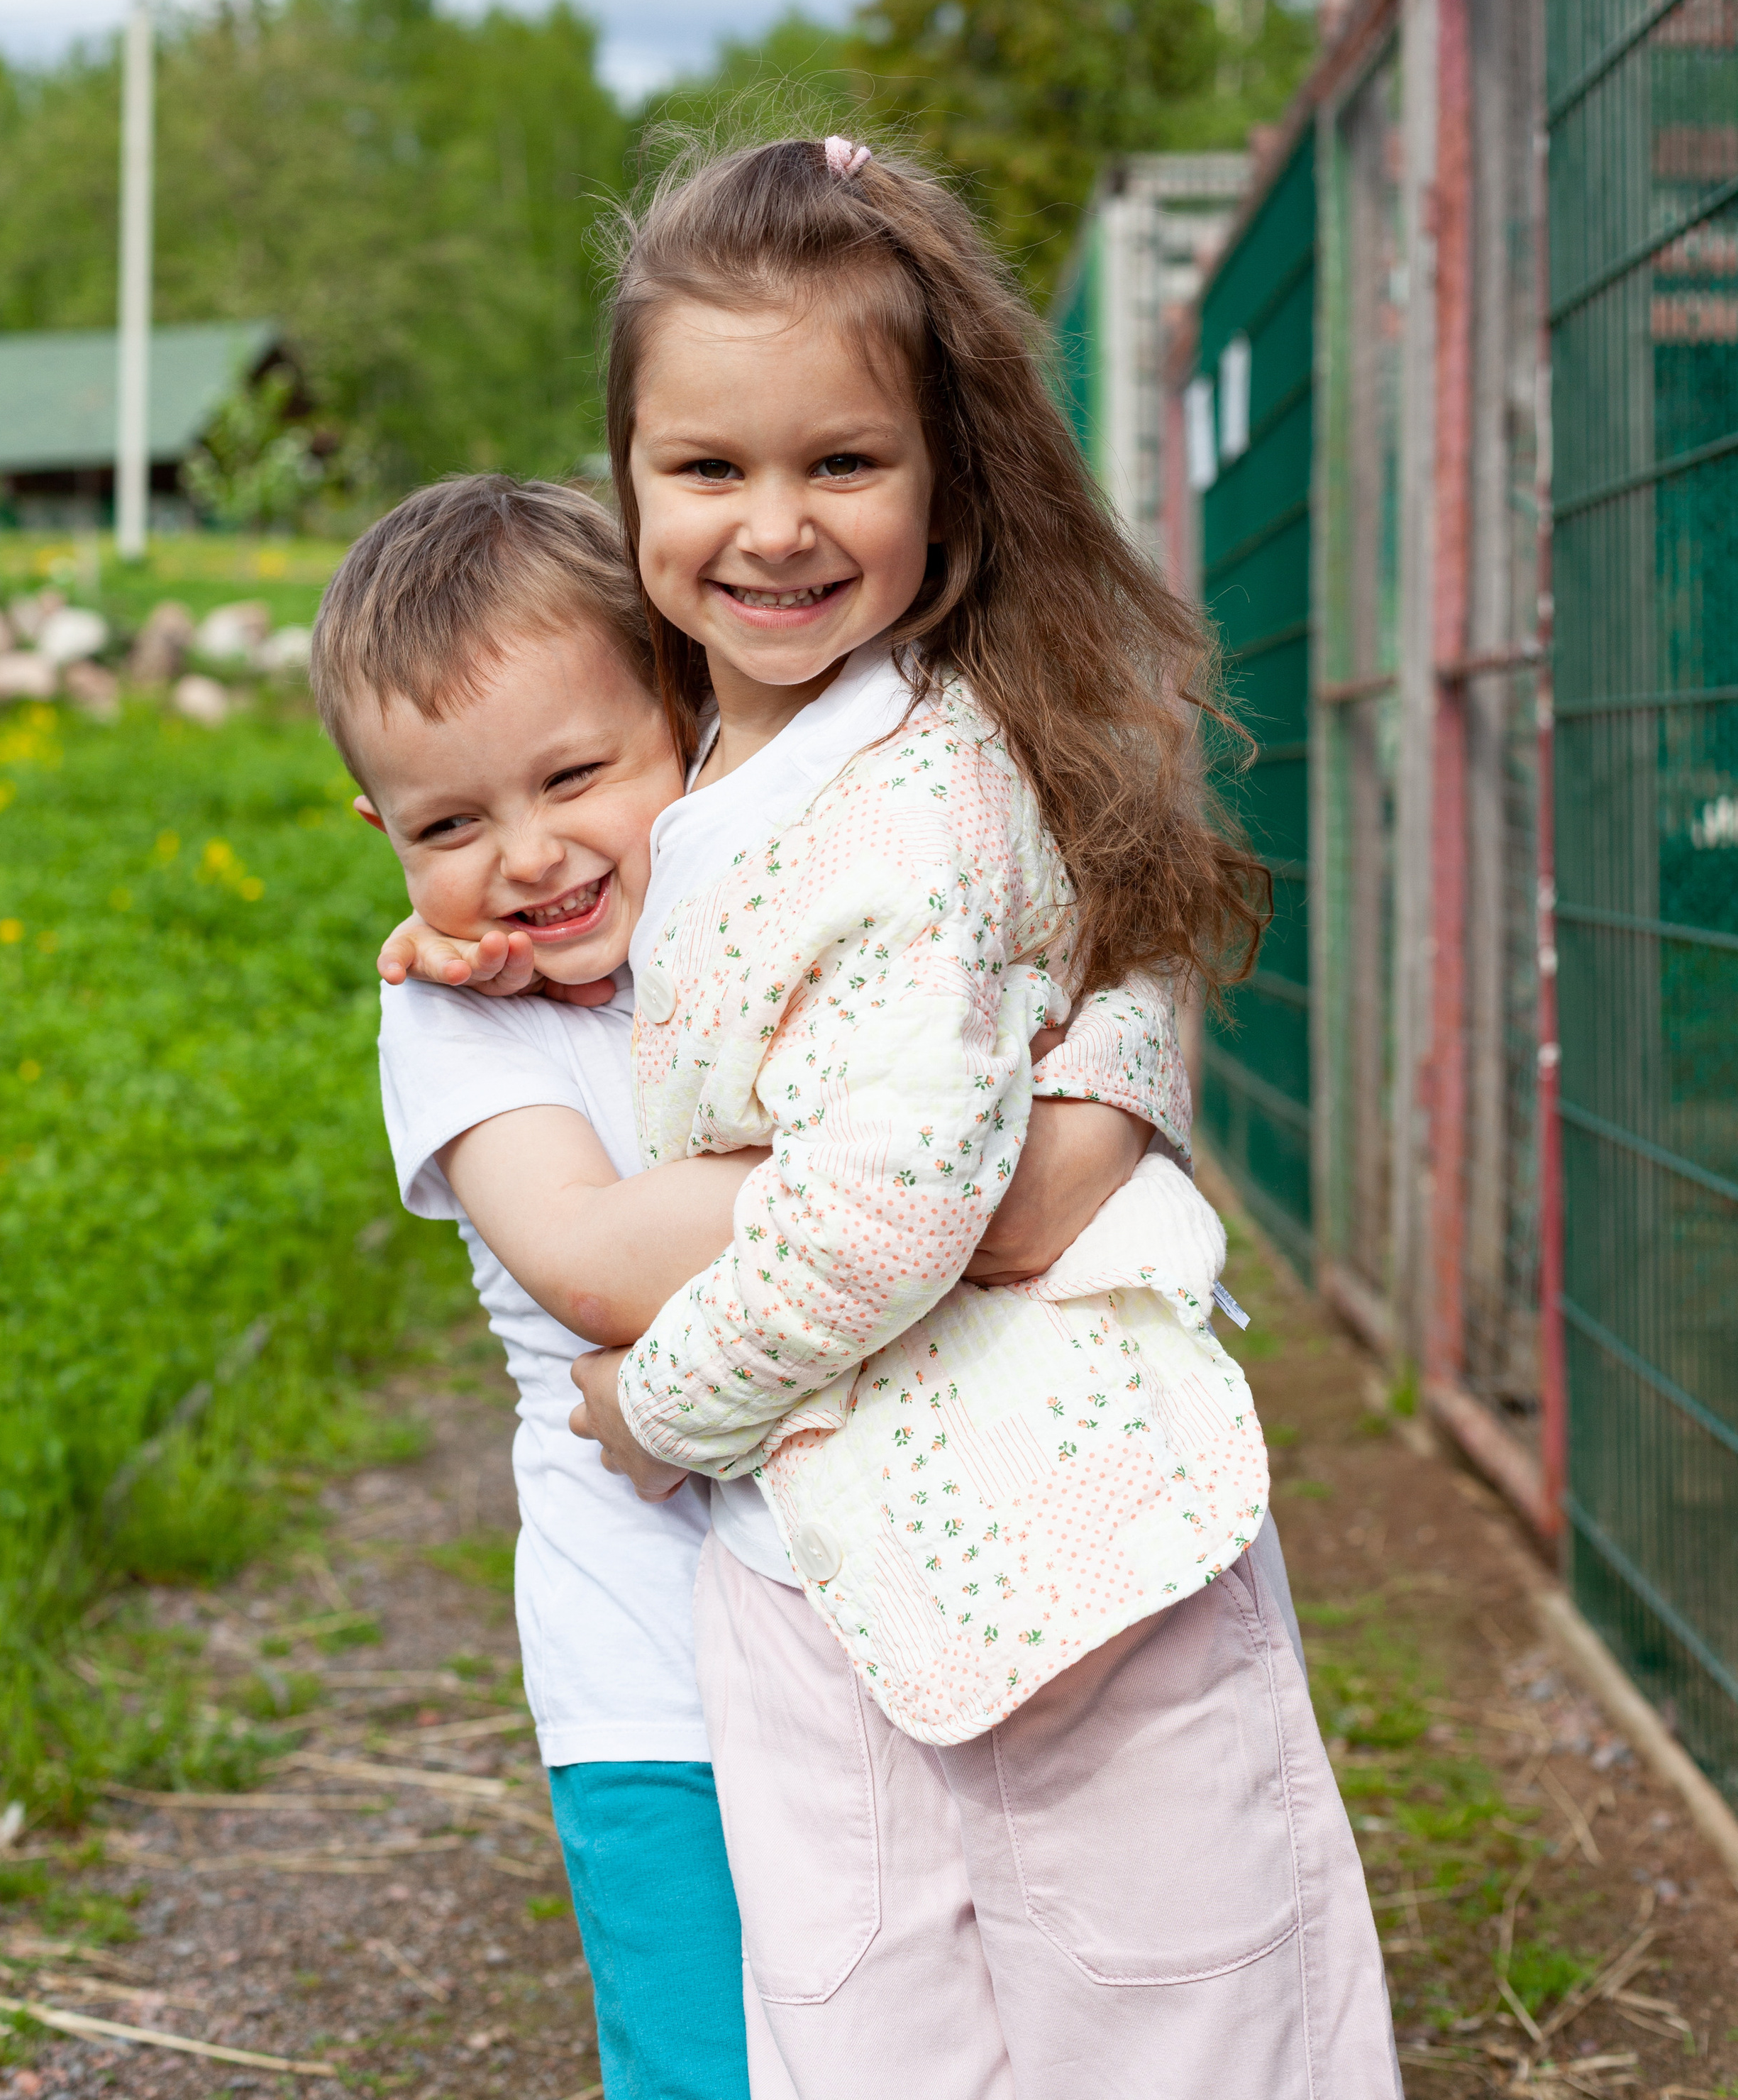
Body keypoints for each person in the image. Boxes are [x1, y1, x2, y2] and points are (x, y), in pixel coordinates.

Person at [554, 133, 1400, 2099]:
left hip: (1047, 1532)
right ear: (629, 478)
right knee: (880, 2024)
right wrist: (468, 934)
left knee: (1179, 2015)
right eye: (708, 468)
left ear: (949, 475)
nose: (775, 527)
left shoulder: (922, 789)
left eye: (844, 462)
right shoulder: (695, 741)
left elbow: (885, 1214)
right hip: (826, 1551)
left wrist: (661, 1407)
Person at [309, 475, 1183, 2100]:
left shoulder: (780, 910)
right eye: (448, 828)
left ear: (686, 715)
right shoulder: (450, 1021)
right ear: (383, 834)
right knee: (705, 2054)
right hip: (650, 1665)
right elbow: (590, 1265)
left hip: (880, 1600)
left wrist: (980, 1125)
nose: (527, 855)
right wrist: (913, 1144)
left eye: (574, 776)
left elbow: (1072, 989)